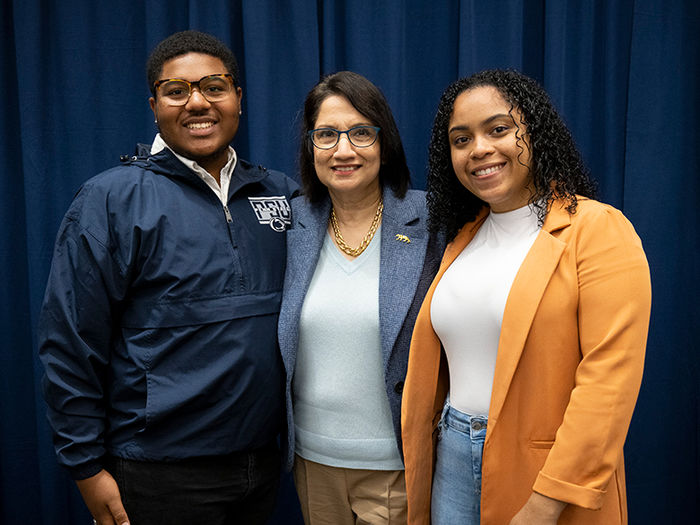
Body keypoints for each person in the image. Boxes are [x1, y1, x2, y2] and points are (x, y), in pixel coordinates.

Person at [38, 30, 298, 525]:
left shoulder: (282, 195)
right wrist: (85, 466)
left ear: (238, 98)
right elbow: (70, 342)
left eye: (214, 86)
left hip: (264, 466)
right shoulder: (110, 201)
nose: (197, 102)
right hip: (157, 473)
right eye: (177, 91)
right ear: (154, 104)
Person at [401, 69, 652, 525]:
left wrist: (545, 503)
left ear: (534, 133)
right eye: (461, 139)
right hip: (451, 458)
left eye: (498, 129)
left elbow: (608, 383)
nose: (479, 149)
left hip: (545, 477)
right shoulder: (463, 238)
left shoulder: (597, 229)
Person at [277, 71, 442, 524]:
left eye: (361, 133)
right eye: (327, 135)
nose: (343, 150)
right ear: (311, 146)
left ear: (383, 142)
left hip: (395, 465)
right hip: (312, 462)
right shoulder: (291, 225)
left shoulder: (432, 221)